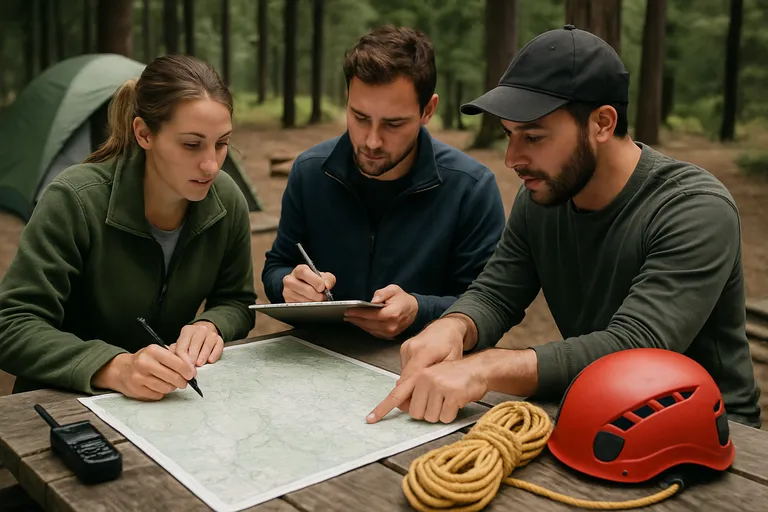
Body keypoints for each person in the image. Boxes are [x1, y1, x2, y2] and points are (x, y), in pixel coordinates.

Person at [366, 25, 762, 428]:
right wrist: (453, 326)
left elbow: (636, 345)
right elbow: (496, 293)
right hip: (596, 411)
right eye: (509, 134)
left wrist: (486, 368)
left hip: (710, 433)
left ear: (603, 123)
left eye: (534, 137)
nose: (512, 158)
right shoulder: (543, 197)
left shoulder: (693, 209)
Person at [0, 55, 257, 401]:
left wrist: (211, 325)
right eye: (191, 144)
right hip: (63, 403)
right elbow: (12, 324)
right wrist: (114, 366)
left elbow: (237, 300)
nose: (211, 164)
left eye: (222, 143)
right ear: (144, 134)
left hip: (168, 404)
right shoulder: (74, 200)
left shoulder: (226, 200)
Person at [261, 25, 506, 340]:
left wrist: (419, 309)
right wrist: (288, 284)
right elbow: (277, 266)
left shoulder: (471, 188)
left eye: (393, 123)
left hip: (419, 369)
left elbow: (490, 305)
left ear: (428, 110)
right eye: (360, 117)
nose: (372, 141)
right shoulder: (310, 172)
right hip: (318, 364)